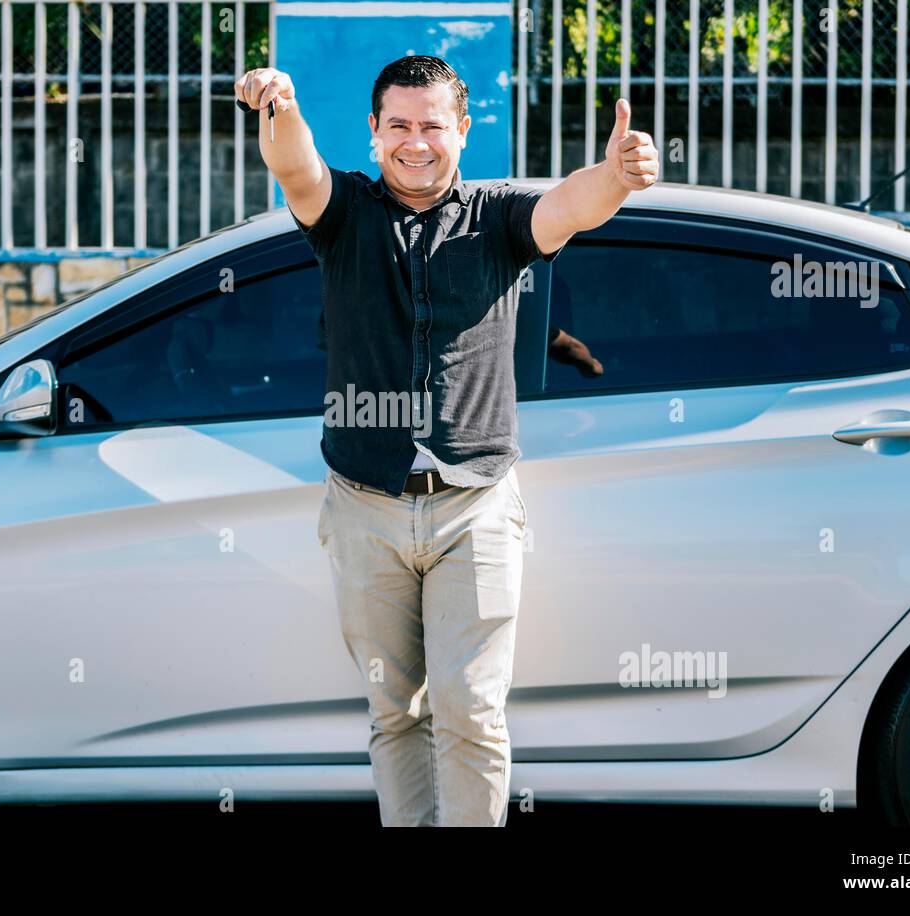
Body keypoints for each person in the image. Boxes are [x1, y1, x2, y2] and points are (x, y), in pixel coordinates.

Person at [234, 54, 658, 826]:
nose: (415, 141)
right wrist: (280, 106)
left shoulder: (498, 216)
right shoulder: (345, 216)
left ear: (464, 129)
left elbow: (570, 205)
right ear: (373, 132)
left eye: (433, 124)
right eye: (398, 125)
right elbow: (295, 168)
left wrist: (618, 177)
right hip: (366, 506)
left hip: (476, 509)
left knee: (470, 711)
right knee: (395, 713)